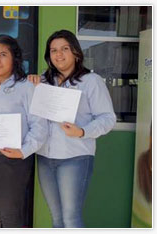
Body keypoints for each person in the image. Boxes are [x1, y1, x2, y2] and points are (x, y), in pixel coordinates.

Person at [27, 29, 116, 228]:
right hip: (45, 157)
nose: (58, 55)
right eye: (53, 50)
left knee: (71, 218)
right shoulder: (43, 81)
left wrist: (82, 131)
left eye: (64, 49)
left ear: (75, 52)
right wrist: (30, 85)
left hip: (75, 157)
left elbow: (108, 118)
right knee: (57, 219)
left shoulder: (91, 81)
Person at [0, 34, 47, 228]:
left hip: (12, 161)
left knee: (11, 217)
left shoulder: (27, 86)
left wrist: (22, 151)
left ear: (14, 57)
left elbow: (39, 125)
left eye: (3, 54)